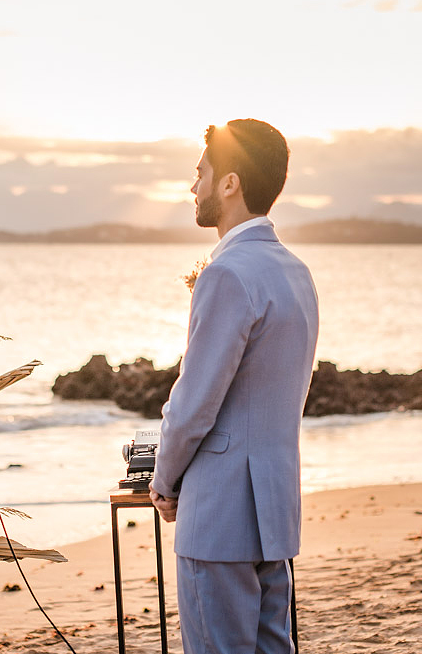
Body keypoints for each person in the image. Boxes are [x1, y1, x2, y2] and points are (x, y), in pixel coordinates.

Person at [149, 119, 319, 654]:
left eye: (200, 173)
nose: (192, 187)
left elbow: (195, 403)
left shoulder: (226, 274)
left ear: (230, 183)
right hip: (273, 504)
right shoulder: (296, 271)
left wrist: (165, 479)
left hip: (220, 508)